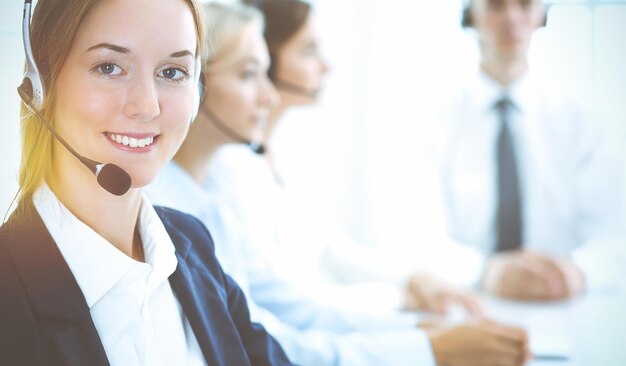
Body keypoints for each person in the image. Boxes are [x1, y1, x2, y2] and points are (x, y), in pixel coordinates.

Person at [148, 2, 530, 366]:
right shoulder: (186, 200)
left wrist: (416, 331)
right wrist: (421, 341)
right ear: (196, 84)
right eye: (250, 74)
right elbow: (263, 332)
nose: (268, 93)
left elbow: (284, 301)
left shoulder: (214, 191)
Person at [0, 0, 293, 364]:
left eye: (172, 72)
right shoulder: (9, 295)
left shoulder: (191, 246)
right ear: (39, 85)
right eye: (109, 67)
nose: (148, 105)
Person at [436, 0, 626, 301]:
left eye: (524, 4)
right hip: (466, 304)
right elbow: (416, 236)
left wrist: (577, 272)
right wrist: (485, 272)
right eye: (496, 5)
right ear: (470, 14)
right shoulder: (436, 122)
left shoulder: (583, 122)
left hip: (564, 308)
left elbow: (614, 235)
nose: (511, 17)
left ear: (542, 14)